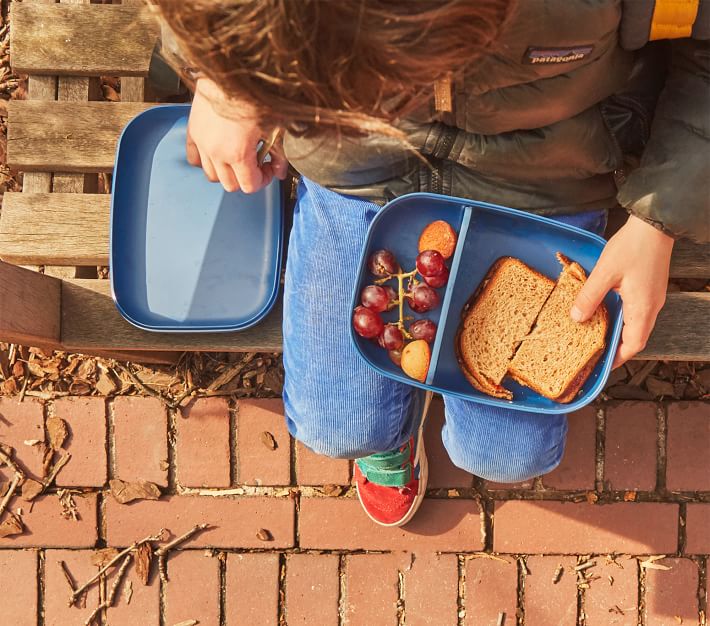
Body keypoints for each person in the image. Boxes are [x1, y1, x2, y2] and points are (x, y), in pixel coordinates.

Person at [153, 0, 709, 527]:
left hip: (546, 184)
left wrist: (657, 222)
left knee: (506, 459)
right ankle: (393, 423)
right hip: (357, 170)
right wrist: (224, 76)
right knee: (336, 431)